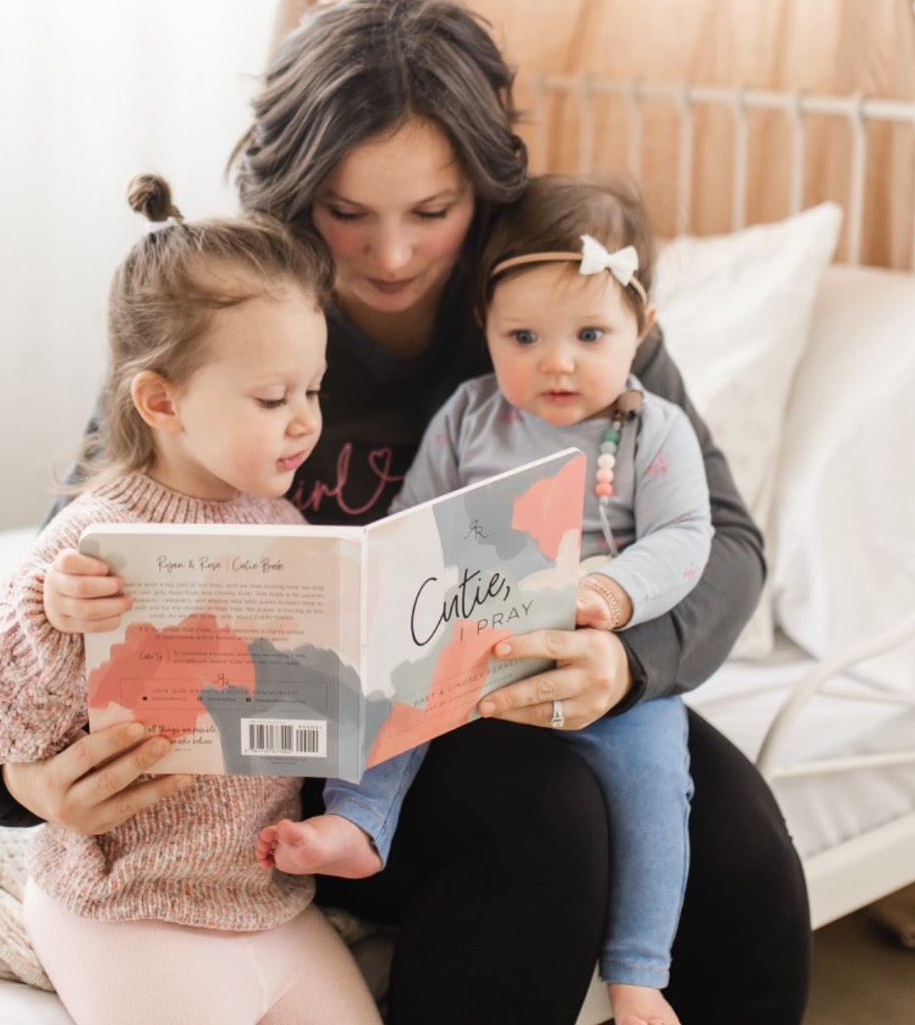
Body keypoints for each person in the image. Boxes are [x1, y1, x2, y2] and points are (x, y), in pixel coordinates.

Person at [0, 0, 811, 1024]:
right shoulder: (244, 287)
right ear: (294, 196)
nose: (393, 257)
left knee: (742, 852)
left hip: (525, 674)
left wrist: (632, 661)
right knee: (544, 822)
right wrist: (17, 782)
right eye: (346, 214)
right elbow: (83, 535)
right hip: (292, 748)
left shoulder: (554, 292)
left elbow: (723, 538)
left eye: (433, 213)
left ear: (486, 191)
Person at [258, 173, 708, 1025]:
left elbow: (689, 537)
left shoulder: (653, 431)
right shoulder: (470, 417)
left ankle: (640, 971)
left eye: (589, 334)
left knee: (657, 786)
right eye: (525, 336)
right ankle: (359, 825)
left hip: (598, 661)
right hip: (474, 644)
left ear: (640, 333)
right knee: (394, 702)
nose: (558, 360)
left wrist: (614, 591)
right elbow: (413, 519)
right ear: (486, 330)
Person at [0, 174, 384, 1025]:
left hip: (263, 895)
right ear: (161, 402)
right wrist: (51, 615)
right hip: (123, 900)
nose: (305, 421)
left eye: (314, 391)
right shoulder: (97, 535)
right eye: (273, 397)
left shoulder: (284, 521)